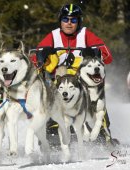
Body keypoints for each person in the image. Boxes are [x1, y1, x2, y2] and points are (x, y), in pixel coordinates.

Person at [31, 4, 118, 146]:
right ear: (60, 20)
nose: (69, 23)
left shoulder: (85, 35)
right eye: (65, 19)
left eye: (73, 20)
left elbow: (107, 57)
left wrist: (94, 52)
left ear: (79, 22)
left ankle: (103, 133)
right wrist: (41, 55)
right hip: (58, 84)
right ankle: (52, 128)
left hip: (82, 85)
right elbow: (35, 59)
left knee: (95, 98)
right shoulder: (53, 36)